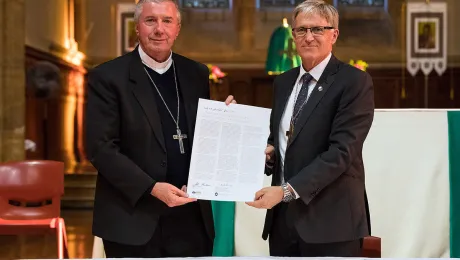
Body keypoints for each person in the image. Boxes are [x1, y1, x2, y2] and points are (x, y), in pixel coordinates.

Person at [84, 0, 236, 258]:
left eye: (167, 21)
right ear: (137, 27)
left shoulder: (195, 73)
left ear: (177, 28)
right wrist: (152, 187)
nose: (159, 29)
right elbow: (100, 148)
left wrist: (224, 121)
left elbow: (200, 138)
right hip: (132, 218)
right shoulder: (108, 77)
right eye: (150, 20)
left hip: (190, 216)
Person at [246, 0, 374, 257]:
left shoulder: (354, 82)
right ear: (293, 35)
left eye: (317, 29)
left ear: (334, 34)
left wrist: (285, 192)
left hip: (331, 223)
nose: (308, 37)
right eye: (301, 30)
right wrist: (269, 154)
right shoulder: (283, 83)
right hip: (283, 223)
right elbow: (280, 138)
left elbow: (341, 153)